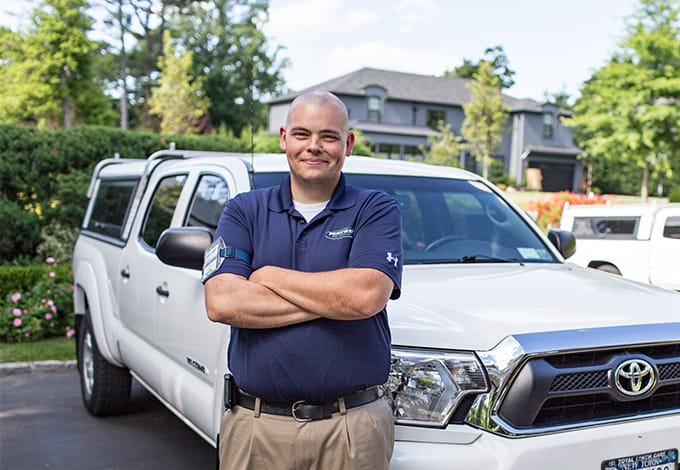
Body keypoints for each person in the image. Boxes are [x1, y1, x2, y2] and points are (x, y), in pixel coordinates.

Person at [202, 90, 403, 470]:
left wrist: (269, 276)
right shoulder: (245, 210)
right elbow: (223, 302)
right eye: (302, 134)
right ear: (283, 138)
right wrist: (332, 300)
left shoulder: (375, 208)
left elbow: (364, 297)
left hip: (352, 428)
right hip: (256, 428)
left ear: (347, 143)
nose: (314, 147)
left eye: (328, 136)